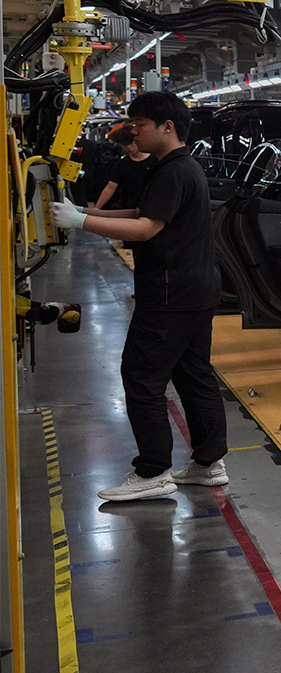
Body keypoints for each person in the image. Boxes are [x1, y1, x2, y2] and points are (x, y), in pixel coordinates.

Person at [51, 91, 229, 501]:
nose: (133, 132)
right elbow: (138, 213)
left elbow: (146, 228)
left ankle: (153, 471)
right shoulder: (178, 167)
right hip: (196, 288)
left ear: (167, 127)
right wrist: (86, 212)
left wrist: (79, 223)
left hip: (170, 293)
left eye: (140, 125)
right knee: (194, 375)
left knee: (141, 376)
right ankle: (209, 463)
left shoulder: (173, 172)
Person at [88, 124, 154, 217]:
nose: (128, 147)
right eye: (124, 144)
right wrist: (97, 209)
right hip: (128, 209)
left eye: (131, 143)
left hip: (151, 209)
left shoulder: (155, 161)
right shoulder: (121, 165)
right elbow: (110, 188)